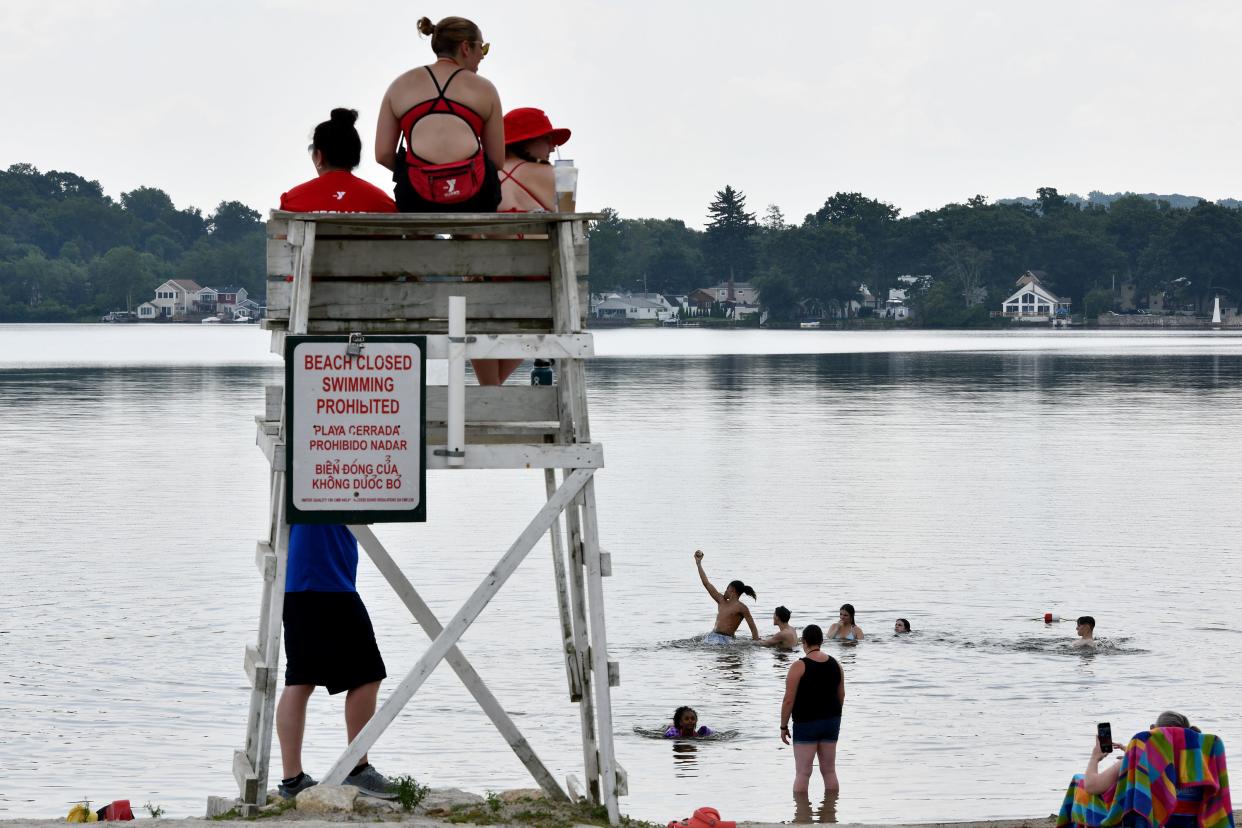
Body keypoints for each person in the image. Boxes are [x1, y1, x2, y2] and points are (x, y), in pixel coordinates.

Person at [274, 111, 395, 801]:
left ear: (320, 156)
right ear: (358, 156)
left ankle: (293, 776)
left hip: (311, 354)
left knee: (300, 675)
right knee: (364, 670)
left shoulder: (294, 199)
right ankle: (353, 762)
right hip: (372, 352)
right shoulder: (383, 203)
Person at [374, 15, 504, 212]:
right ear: (466, 47)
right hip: (473, 197)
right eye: (482, 48)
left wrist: (416, 173)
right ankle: (470, 239)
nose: (483, 55)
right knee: (472, 229)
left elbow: (383, 154)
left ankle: (421, 240)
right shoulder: (485, 89)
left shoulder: (400, 85)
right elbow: (496, 161)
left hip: (417, 197)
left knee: (418, 235)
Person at [281, 109, 397, 214]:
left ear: (319, 156)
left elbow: (281, 236)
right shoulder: (385, 204)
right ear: (355, 155)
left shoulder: (291, 201)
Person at [780, 625, 845, 794]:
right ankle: (830, 811)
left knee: (803, 772)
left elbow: (788, 699)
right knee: (829, 771)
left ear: (804, 641)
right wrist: (834, 718)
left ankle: (801, 815)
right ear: (822, 641)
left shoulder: (799, 666)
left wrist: (783, 726)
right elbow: (841, 695)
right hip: (831, 721)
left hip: (806, 722)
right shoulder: (836, 664)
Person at [1082, 711, 1195, 795]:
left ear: (1152, 729)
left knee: (1079, 784)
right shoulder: (1199, 765)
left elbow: (1092, 786)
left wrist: (1095, 757)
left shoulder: (1138, 760)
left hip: (1146, 819)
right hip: (1182, 818)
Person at [497, 107, 570, 213]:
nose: (552, 148)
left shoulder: (484, 175)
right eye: (547, 139)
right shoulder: (555, 174)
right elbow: (567, 218)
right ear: (527, 141)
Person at [693, 549, 758, 643]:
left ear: (732, 589)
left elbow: (753, 628)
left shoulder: (742, 608)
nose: (725, 591)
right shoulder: (721, 600)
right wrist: (698, 564)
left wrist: (756, 642)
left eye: (727, 588)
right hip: (712, 636)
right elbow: (706, 584)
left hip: (726, 640)